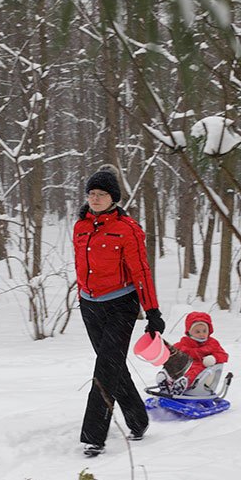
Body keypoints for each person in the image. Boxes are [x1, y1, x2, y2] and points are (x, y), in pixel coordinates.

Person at [73, 164, 164, 457]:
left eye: (101, 194)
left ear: (114, 198)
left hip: (121, 305)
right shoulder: (80, 226)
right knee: (111, 364)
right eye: (91, 194)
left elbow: (141, 271)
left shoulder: (128, 229)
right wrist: (82, 295)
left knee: (105, 367)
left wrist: (152, 311)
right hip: (89, 304)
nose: (95, 199)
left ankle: (93, 435)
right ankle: (138, 420)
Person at [165, 311, 228, 395]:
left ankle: (183, 383)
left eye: (204, 331)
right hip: (185, 366)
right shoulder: (184, 343)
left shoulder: (212, 343)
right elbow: (173, 351)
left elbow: (223, 355)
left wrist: (213, 358)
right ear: (189, 332)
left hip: (203, 372)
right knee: (174, 364)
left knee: (196, 369)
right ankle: (166, 380)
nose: (202, 334)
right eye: (197, 332)